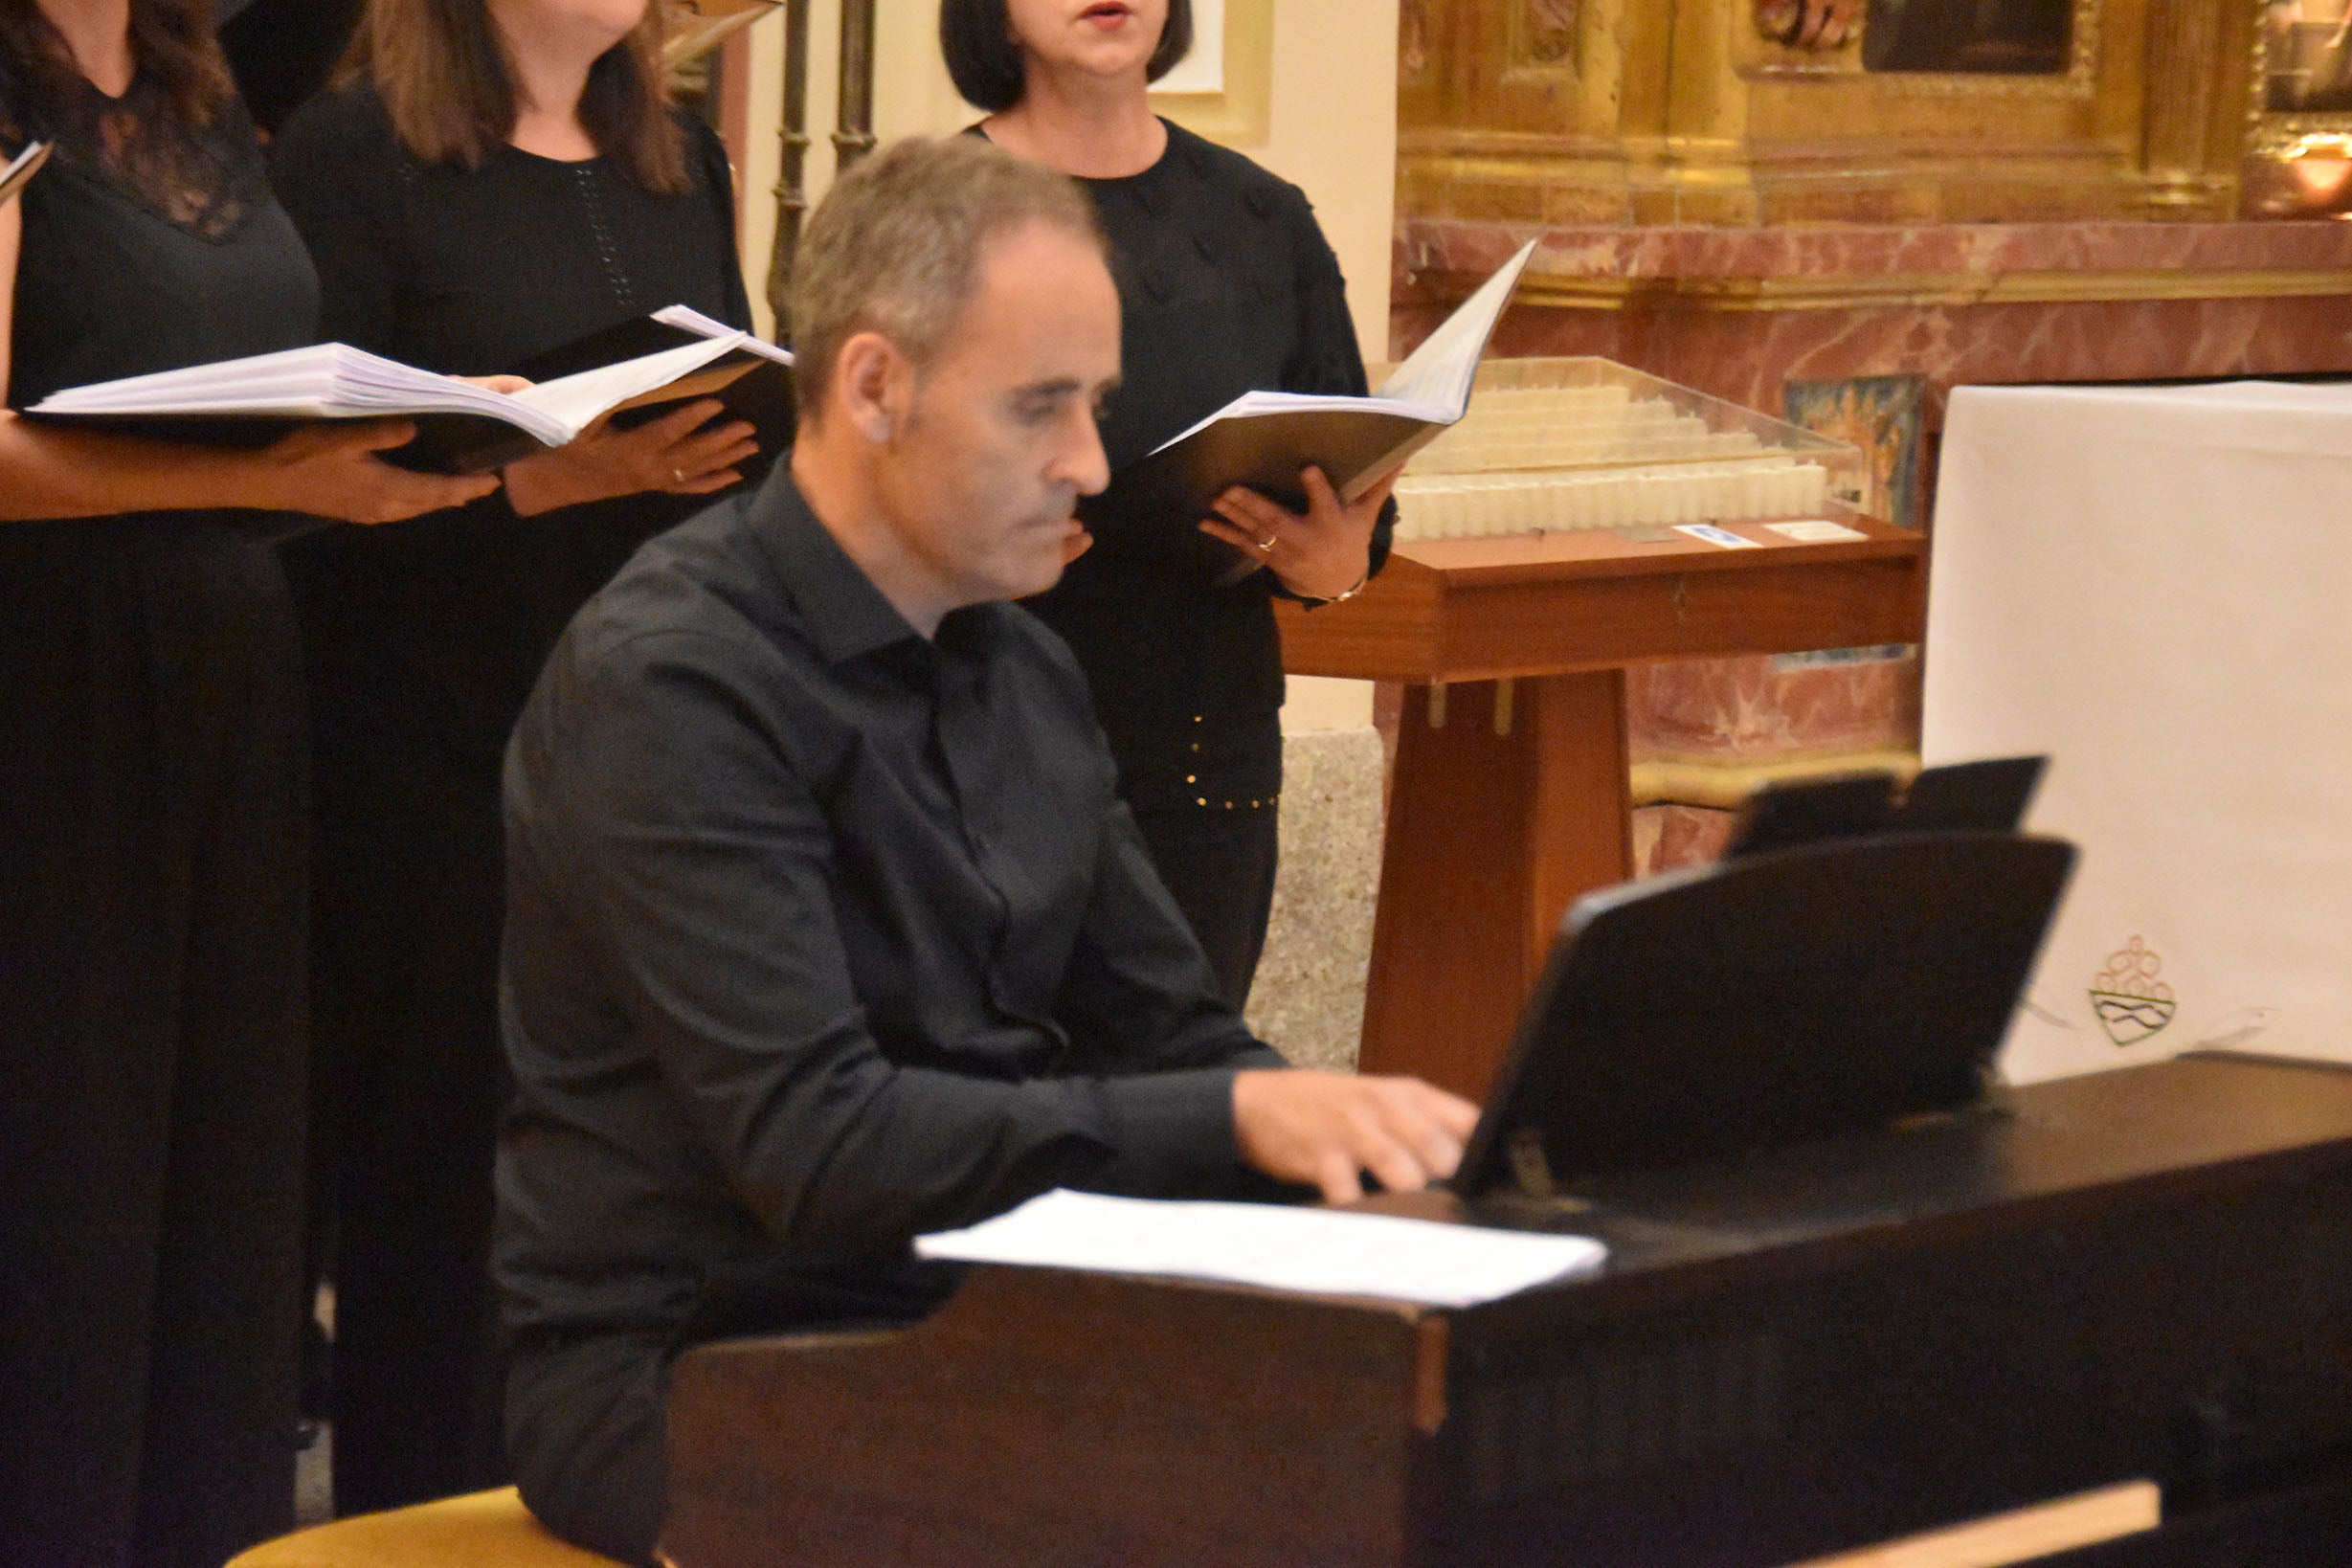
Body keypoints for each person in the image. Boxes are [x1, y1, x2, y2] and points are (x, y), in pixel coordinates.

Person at [494, 135, 1478, 1566]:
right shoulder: (673, 684)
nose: (1088, 462)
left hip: (977, 1308)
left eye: (1093, 405)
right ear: (875, 386)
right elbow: (817, 1145)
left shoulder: (1019, 660)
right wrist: (1236, 1125)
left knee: (1419, 1453)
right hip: (703, 1363)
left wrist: (1386, 1173)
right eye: (1041, 408)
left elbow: (1172, 1032)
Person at [0, 2, 494, 1561]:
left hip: (229, 676)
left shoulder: (196, 95)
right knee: (68, 1173)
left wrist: (406, 422)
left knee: (219, 1176)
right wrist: (259, 477)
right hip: (55, 695)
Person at [267, 0, 761, 1515]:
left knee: (631, 1195)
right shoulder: (361, 150)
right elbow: (297, 509)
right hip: (426, 754)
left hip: (647, 748)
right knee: (442, 1214)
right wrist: (552, 484)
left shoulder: (679, 159)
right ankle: (417, 1526)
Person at [940, 0, 1400, 1008]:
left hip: (1205, 754)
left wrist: (1334, 568)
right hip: (980, 743)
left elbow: (1351, 501)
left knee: (1175, 1107)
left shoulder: (1261, 218)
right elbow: (846, 494)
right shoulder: (932, 216)